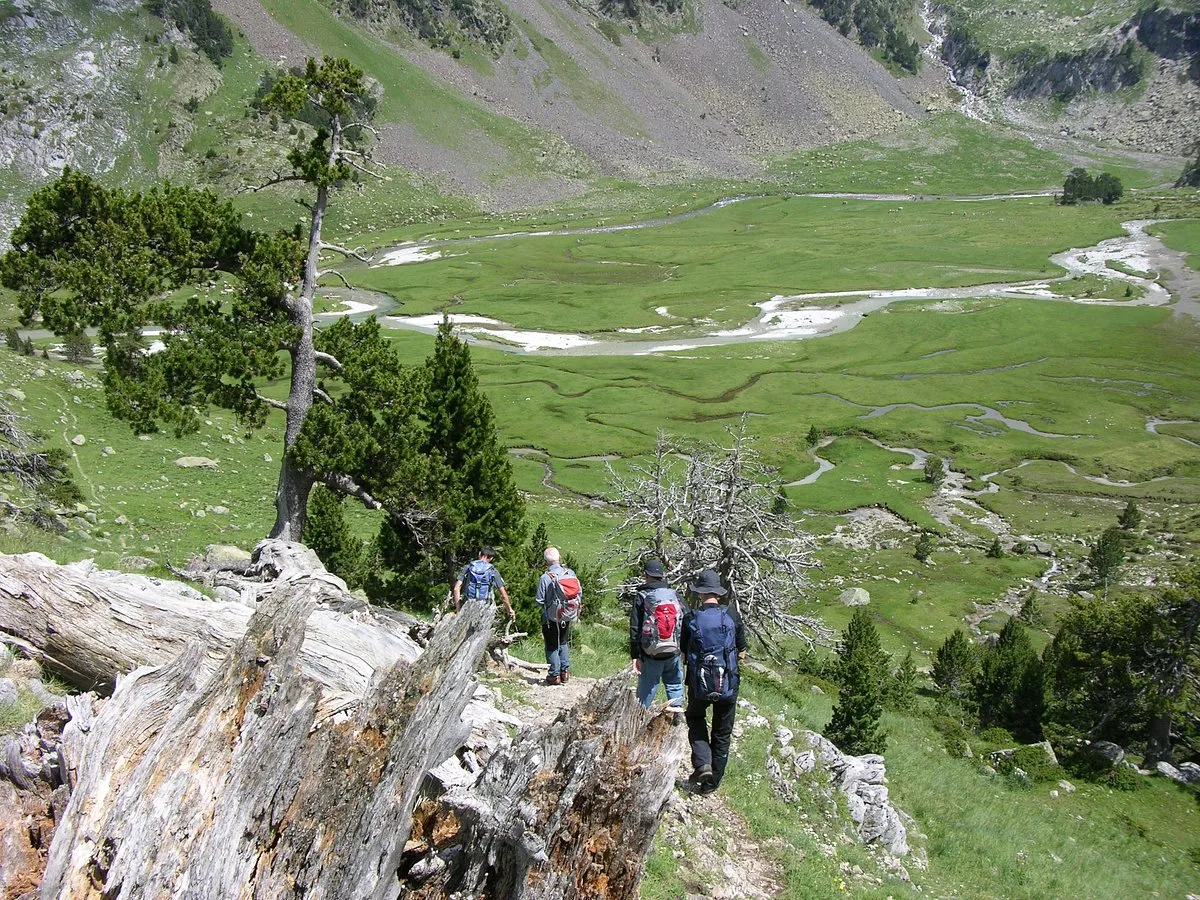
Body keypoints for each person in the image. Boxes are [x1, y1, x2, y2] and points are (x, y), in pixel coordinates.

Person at [682, 569, 746, 794]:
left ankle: (702, 763)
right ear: (717, 593)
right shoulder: (732, 616)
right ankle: (711, 784)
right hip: (728, 682)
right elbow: (741, 650)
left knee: (695, 716)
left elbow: (684, 651)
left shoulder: (691, 618)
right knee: (722, 732)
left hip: (699, 683)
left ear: (700, 593)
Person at [629, 559, 684, 708]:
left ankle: (640, 717)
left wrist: (635, 655)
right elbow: (685, 619)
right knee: (674, 684)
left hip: (651, 653)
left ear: (646, 575)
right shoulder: (674, 595)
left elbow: (635, 627)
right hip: (673, 650)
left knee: (647, 688)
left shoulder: (642, 596)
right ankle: (676, 716)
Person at [536, 546, 574, 685]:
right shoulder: (570, 573)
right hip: (567, 614)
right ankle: (565, 673)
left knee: (552, 644)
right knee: (563, 642)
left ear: (546, 561)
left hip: (551, 617)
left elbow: (539, 601)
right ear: (559, 558)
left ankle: (554, 675)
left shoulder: (545, 577)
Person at [453, 547, 515, 620]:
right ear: (491, 558)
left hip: (468, 603)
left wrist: (458, 610)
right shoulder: (493, 571)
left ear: (479, 554)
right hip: (484, 607)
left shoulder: (468, 567)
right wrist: (509, 609)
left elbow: (456, 588)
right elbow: (503, 595)